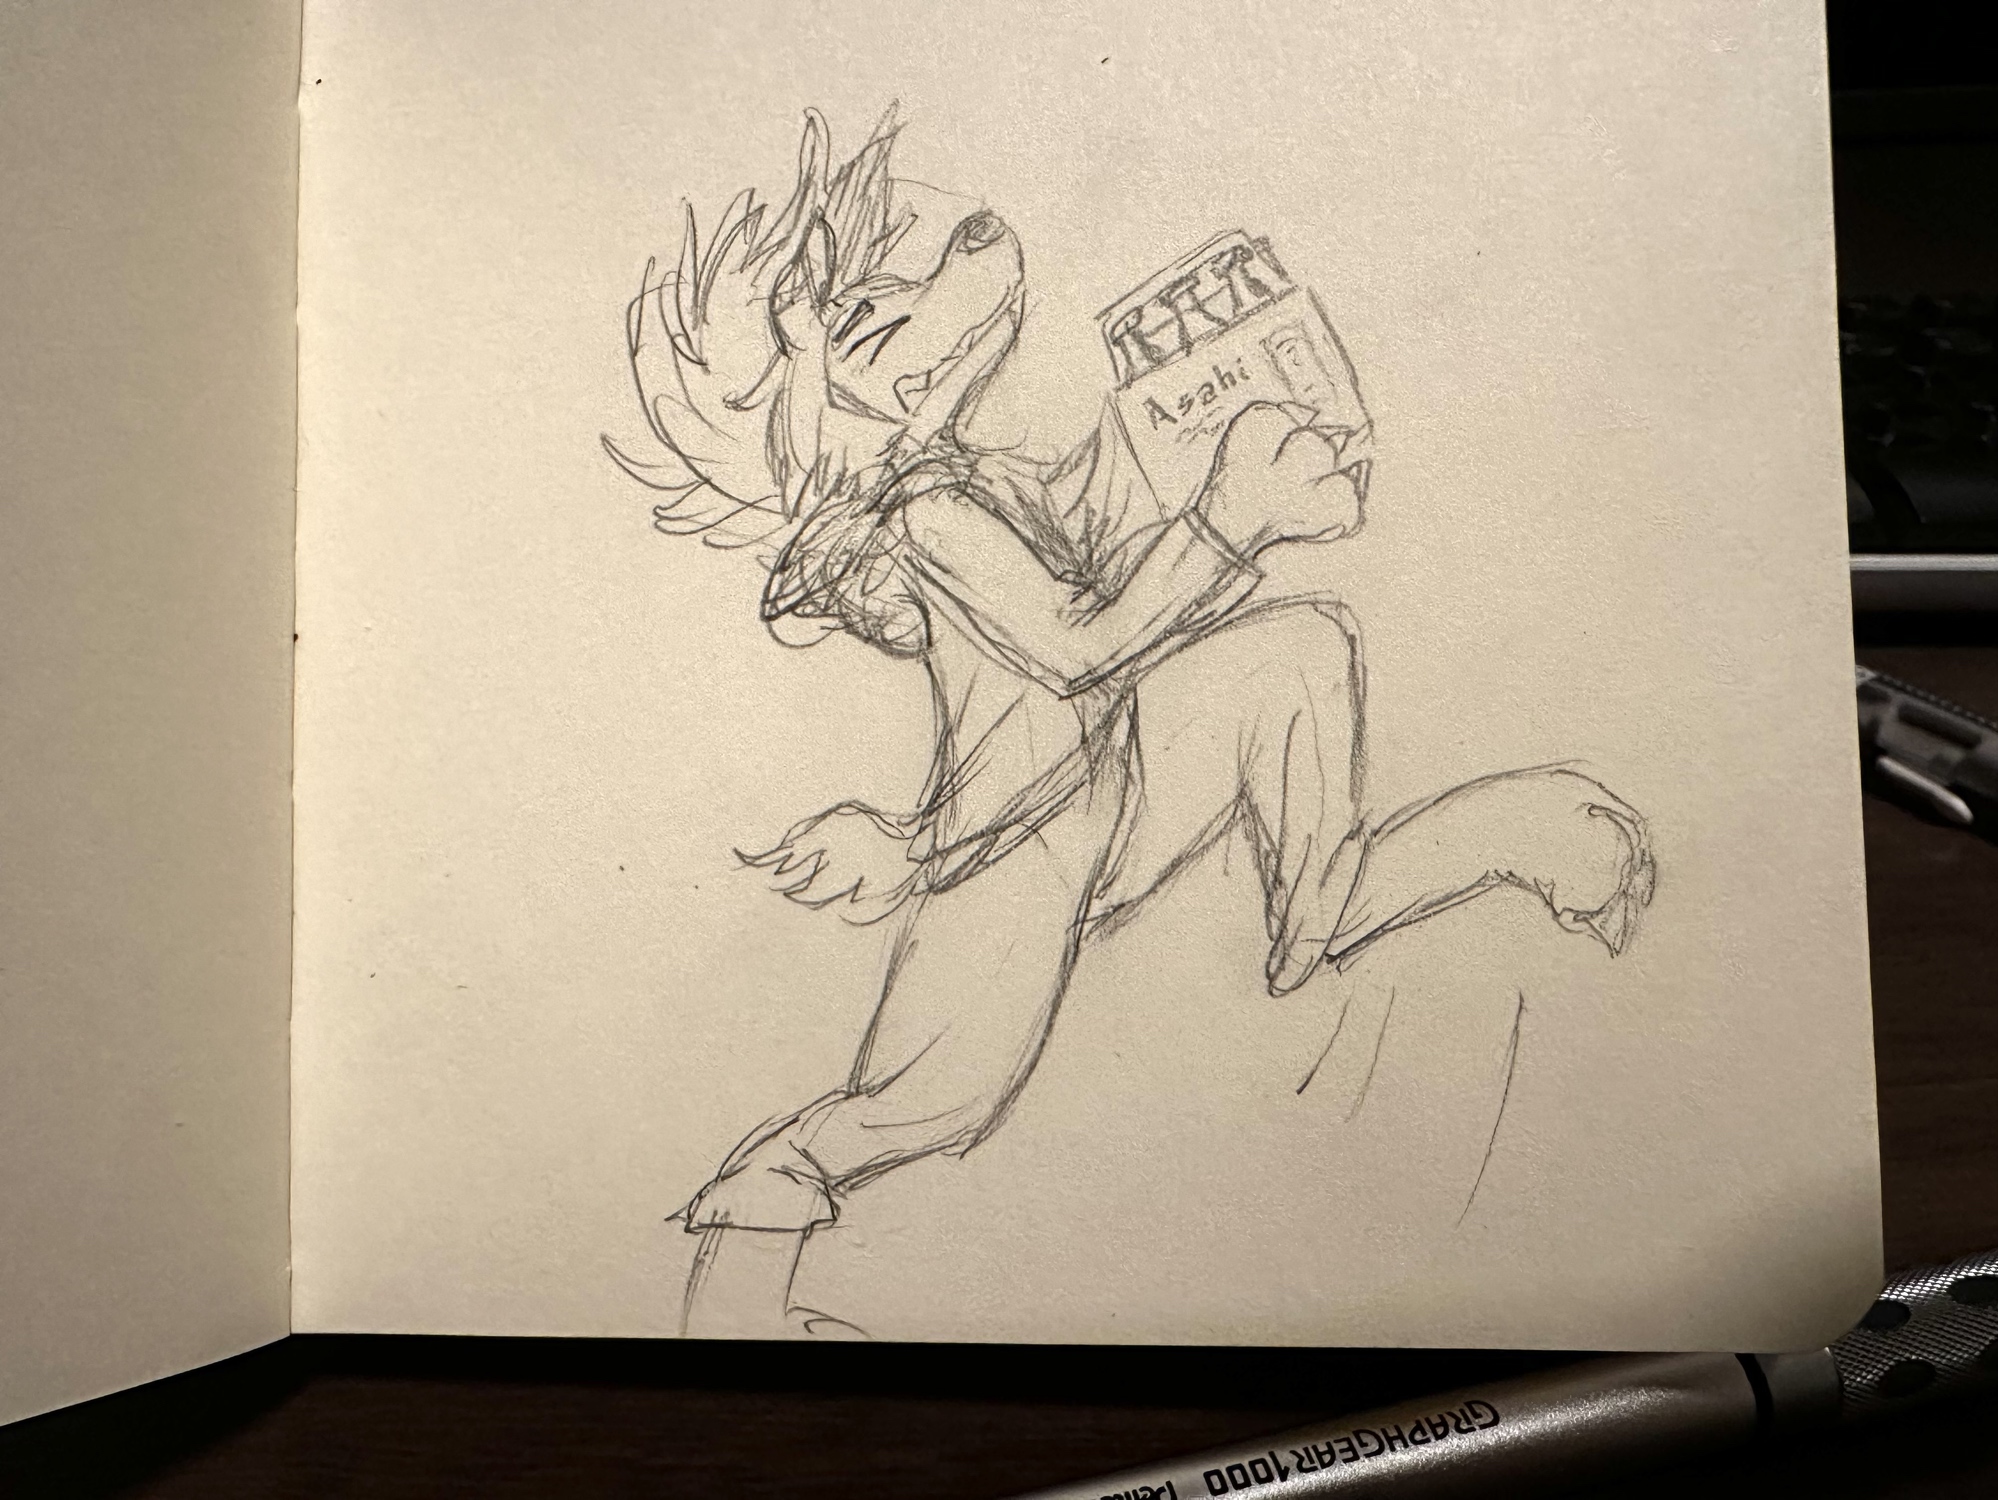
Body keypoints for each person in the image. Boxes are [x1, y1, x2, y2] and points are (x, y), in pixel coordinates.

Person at [607, 111, 1653, 1337]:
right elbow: (1076, 644)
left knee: (1299, 650)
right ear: (857, 369)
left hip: (1116, 771)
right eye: (893, 289)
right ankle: (732, 1299)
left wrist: (1212, 453)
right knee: (915, 1105)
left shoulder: (976, 476)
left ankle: (1334, 900)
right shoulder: (925, 518)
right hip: (1016, 850)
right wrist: (1232, 517)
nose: (959, 253)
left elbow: (1104, 578)